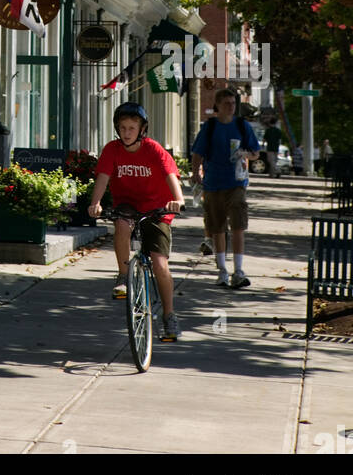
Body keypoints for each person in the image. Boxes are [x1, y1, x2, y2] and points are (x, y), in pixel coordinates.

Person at [88, 101, 185, 342]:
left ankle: (169, 315)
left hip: (157, 207)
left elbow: (170, 175)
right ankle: (123, 276)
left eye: (132, 127)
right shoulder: (112, 149)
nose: (127, 132)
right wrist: (95, 203)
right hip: (127, 204)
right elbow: (102, 178)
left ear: (142, 129)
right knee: (121, 224)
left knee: (160, 264)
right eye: (122, 127)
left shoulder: (153, 149)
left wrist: (178, 200)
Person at [190, 87, 261, 289]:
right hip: (213, 183)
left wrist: (245, 154)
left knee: (238, 225)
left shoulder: (242, 125)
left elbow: (256, 152)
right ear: (218, 106)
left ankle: (238, 270)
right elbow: (197, 153)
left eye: (233, 103)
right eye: (226, 104)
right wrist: (196, 173)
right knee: (217, 227)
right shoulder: (210, 127)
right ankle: (222, 270)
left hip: (237, 183)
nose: (231, 107)